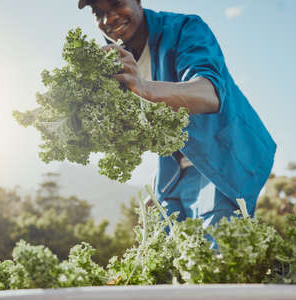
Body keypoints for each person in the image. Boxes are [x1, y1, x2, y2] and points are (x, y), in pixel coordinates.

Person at [78, 0, 277, 228]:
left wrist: (144, 88)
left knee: (214, 256)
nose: (109, 18)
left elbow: (208, 93)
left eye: (116, 3)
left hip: (220, 161)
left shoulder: (185, 28)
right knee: (162, 250)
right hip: (172, 173)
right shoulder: (113, 56)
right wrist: (159, 189)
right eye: (98, 12)